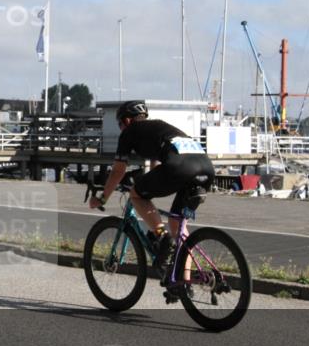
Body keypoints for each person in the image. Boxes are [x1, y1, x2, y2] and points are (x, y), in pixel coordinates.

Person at [89, 100, 215, 283]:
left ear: (127, 120)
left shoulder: (129, 133)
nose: (120, 129)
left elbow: (118, 171)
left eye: (119, 125)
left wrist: (102, 199)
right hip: (206, 168)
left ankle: (162, 238)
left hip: (180, 168)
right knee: (177, 224)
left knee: (136, 194)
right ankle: (183, 282)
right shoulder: (160, 128)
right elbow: (157, 165)